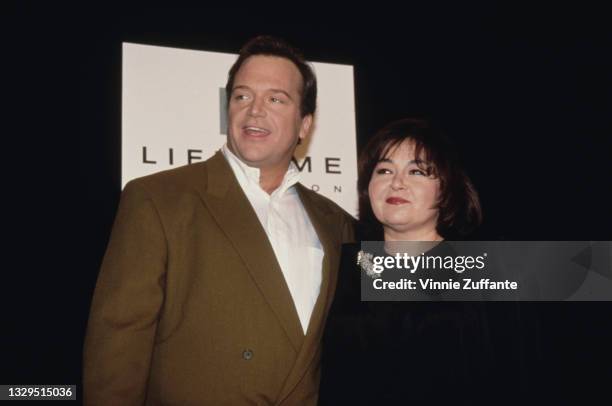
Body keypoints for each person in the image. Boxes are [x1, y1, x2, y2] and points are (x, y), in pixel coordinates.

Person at [83, 36, 354, 405]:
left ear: (305, 124)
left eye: (275, 98)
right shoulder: (159, 198)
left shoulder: (336, 223)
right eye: (242, 96)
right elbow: (118, 344)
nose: (254, 110)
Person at [319, 118, 535, 405]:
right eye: (384, 170)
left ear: (445, 189)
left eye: (417, 172)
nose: (397, 183)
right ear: (367, 187)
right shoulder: (344, 266)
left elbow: (516, 380)